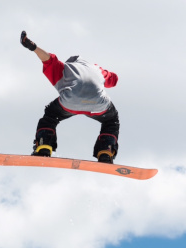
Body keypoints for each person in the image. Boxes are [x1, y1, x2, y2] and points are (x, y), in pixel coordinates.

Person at [20, 31, 120, 164]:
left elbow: (47, 58)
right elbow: (114, 80)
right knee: (111, 122)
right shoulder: (97, 69)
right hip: (99, 105)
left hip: (70, 103)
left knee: (50, 116)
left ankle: (44, 147)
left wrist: (33, 48)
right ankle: (106, 152)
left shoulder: (63, 68)